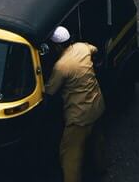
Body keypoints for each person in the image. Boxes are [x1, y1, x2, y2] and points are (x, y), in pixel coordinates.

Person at [45, 27, 106, 182]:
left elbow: (50, 91)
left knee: (70, 155)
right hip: (97, 105)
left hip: (79, 116)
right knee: (96, 140)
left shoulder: (61, 66)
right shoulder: (82, 47)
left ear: (57, 46)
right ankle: (101, 168)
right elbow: (95, 50)